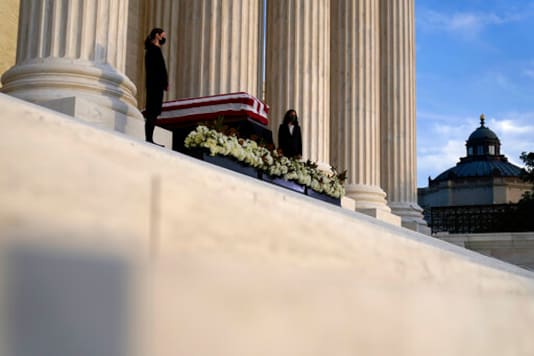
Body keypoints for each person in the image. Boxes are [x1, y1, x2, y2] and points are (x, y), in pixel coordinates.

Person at [144, 28, 168, 146]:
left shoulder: (156, 50)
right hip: (154, 85)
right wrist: (161, 82)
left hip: (158, 86)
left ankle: (150, 138)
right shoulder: (152, 50)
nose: (164, 37)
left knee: (154, 111)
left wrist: (165, 83)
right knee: (152, 111)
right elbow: (154, 70)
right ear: (157, 35)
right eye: (163, 35)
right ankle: (149, 138)